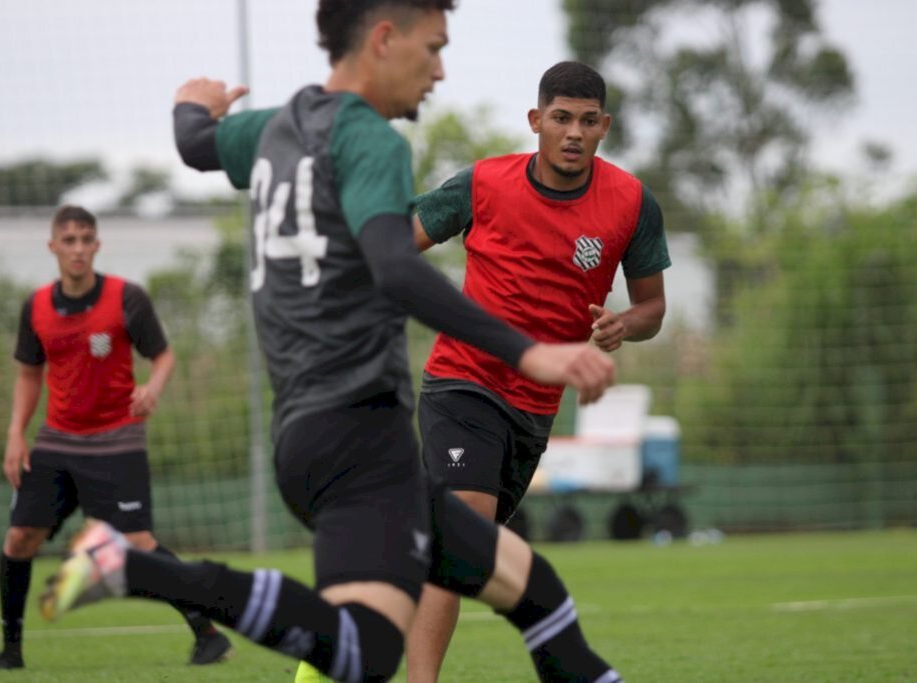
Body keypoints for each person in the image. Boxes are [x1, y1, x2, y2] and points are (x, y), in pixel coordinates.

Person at [40, 2, 623, 682]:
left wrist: (190, 106)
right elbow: (395, 264)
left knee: (534, 594)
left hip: (311, 433)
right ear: (383, 39)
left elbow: (196, 145)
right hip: (358, 435)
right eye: (432, 48)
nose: (439, 70)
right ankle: (131, 564)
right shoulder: (370, 140)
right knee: (369, 647)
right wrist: (531, 351)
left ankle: (130, 564)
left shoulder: (275, 128)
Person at [403, 59, 670, 680]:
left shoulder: (631, 202)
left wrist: (622, 325)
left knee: (450, 556)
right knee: (459, 532)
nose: (573, 132)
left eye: (586, 120)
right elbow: (396, 244)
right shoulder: (483, 184)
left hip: (535, 408)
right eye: (560, 118)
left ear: (604, 126)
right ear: (536, 121)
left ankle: (342, 633)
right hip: (462, 382)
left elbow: (653, 307)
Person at [0, 205, 232, 672]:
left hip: (117, 440)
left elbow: (163, 357)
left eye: (85, 239)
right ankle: (11, 650)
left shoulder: (126, 298)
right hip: (57, 441)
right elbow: (27, 375)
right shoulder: (36, 306)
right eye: (69, 240)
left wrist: (152, 390)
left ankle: (207, 633)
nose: (77, 248)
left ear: (97, 246)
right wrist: (15, 435)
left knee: (138, 542)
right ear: (53, 247)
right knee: (19, 538)